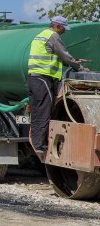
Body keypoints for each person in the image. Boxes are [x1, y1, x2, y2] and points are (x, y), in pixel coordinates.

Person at [27, 15, 88, 155]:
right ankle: (41, 146)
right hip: (43, 79)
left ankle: (37, 144)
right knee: (44, 112)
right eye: (63, 28)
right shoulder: (53, 36)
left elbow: (54, 57)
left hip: (34, 78)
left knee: (36, 113)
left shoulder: (40, 35)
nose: (64, 31)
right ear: (58, 26)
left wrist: (74, 61)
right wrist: (80, 69)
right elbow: (64, 54)